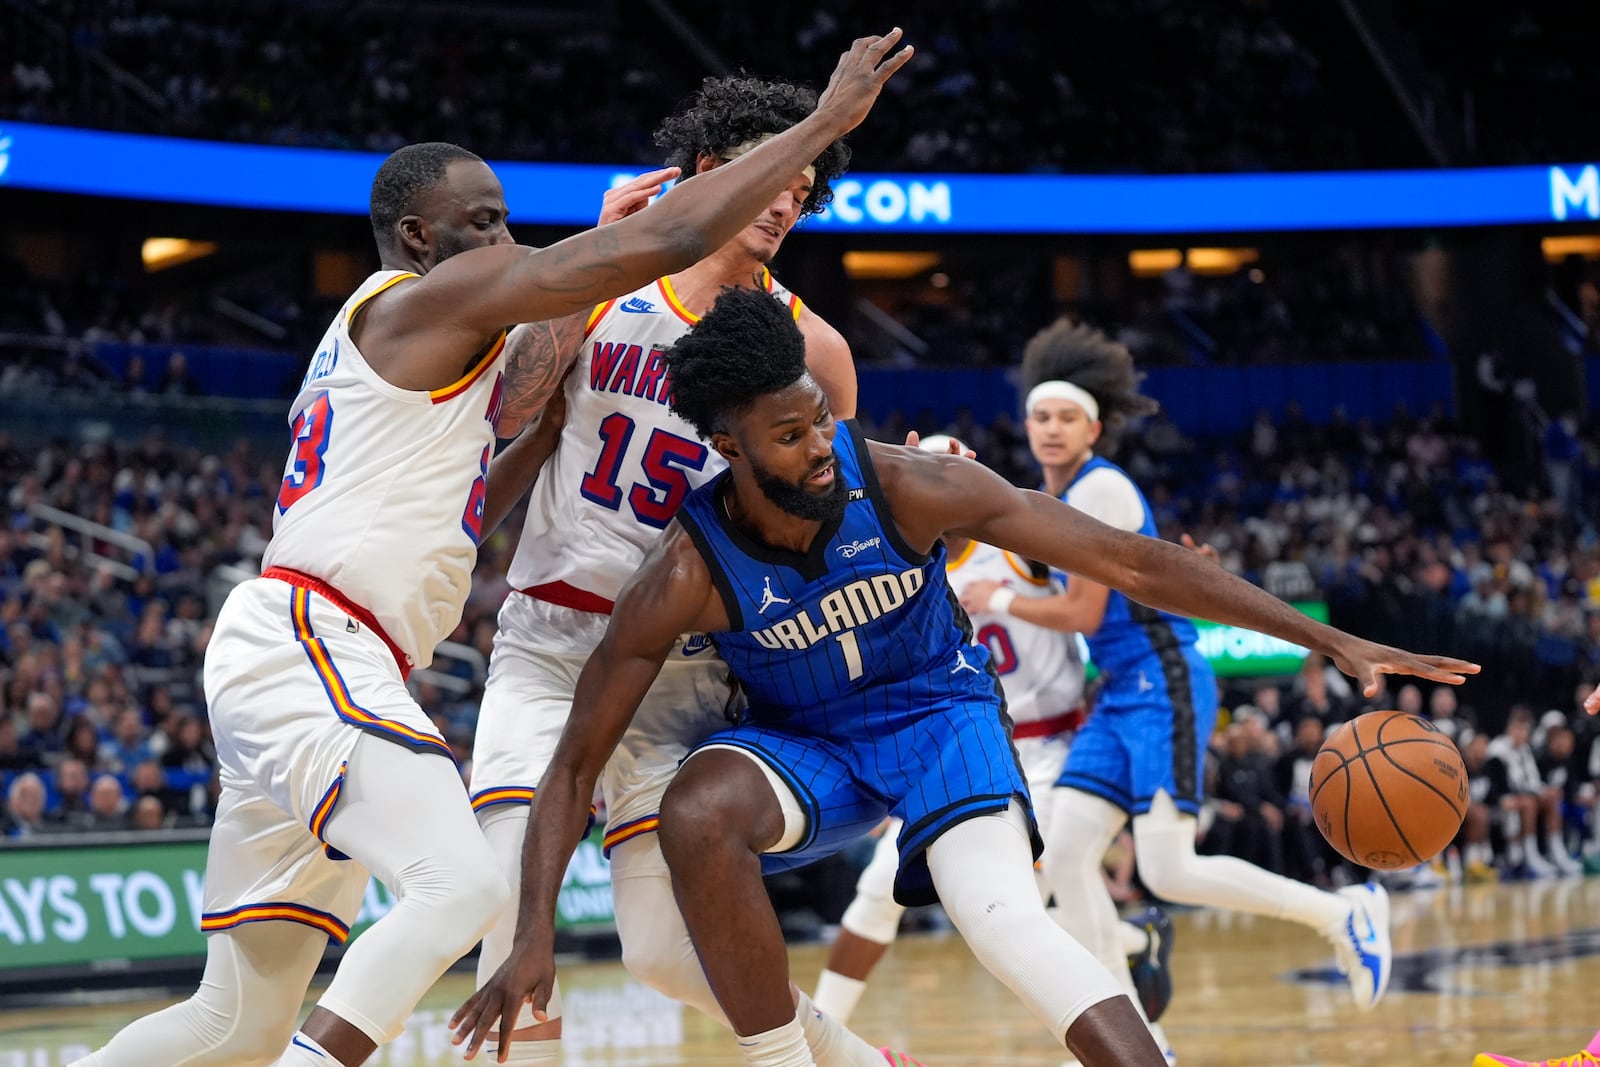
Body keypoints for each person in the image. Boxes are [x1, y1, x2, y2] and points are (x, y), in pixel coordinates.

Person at [71, 30, 913, 1067]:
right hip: (423, 641)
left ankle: (848, 1052)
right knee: (480, 897)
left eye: (508, 222)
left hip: (642, 662)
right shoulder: (438, 302)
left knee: (233, 1017)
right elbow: (616, 282)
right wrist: (822, 124)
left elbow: (482, 485)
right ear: (418, 237)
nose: (504, 240)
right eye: (484, 224)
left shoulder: (793, 348)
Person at [452, 286, 1477, 1067]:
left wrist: (1325, 638)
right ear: (725, 446)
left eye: (818, 417)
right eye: (788, 434)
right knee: (694, 810)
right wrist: (532, 929)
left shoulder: (906, 482)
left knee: (1000, 919)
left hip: (940, 713)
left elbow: (1133, 560)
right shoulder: (684, 570)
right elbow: (575, 759)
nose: (820, 448)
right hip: (808, 741)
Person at [465, 73, 904, 1067]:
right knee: (503, 889)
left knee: (663, 952)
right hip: (548, 641)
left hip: (686, 670)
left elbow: (824, 527)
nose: (788, 198)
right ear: (705, 172)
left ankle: (849, 1054)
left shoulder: (815, 352)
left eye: (805, 184)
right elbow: (509, 413)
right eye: (768, 173)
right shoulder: (606, 281)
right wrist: (579, 264)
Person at [952, 321, 1407, 1052]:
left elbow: (1079, 612)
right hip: (1118, 692)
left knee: (1168, 864)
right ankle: (1142, 1039)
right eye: (1040, 416)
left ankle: (1343, 911)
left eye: (1067, 416)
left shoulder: (1099, 487)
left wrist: (993, 600)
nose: (1051, 429)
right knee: (1065, 856)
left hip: (1160, 678)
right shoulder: (1053, 494)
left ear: (1094, 427)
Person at [812, 434, 1174, 1028]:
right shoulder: (883, 561)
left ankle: (1145, 1034)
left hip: (1050, 744)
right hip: (953, 746)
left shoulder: (1019, 542)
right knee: (883, 891)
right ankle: (818, 1037)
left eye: (952, 472)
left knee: (1036, 897)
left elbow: (1100, 591)